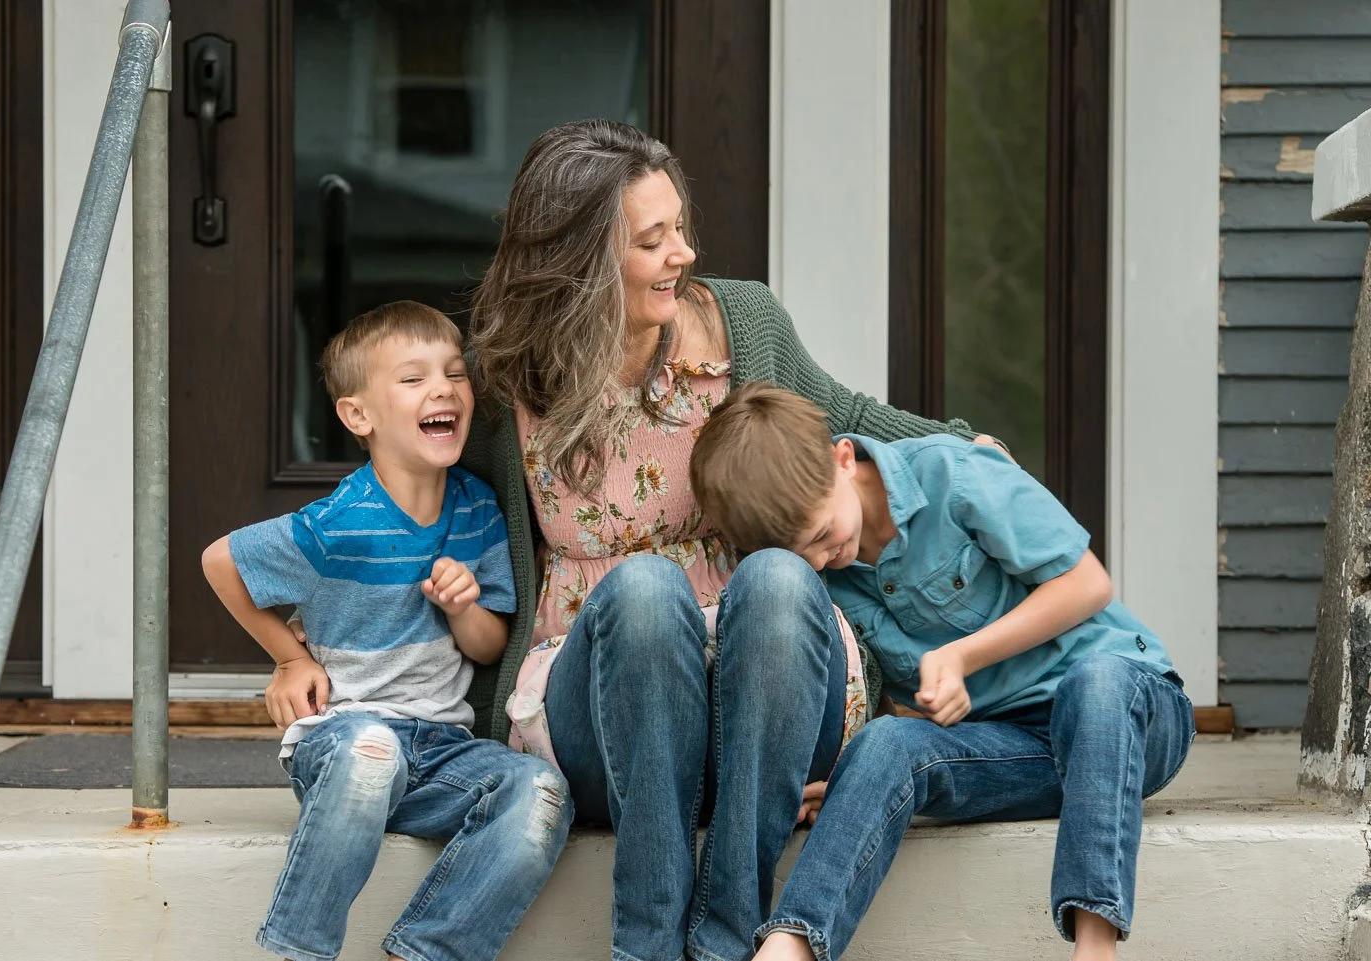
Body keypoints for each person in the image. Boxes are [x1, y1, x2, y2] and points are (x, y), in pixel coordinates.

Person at [448, 118, 997, 961]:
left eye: (681, 228)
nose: (684, 254)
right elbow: (424, 495)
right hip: (602, 704)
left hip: (766, 697)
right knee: (642, 591)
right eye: (653, 239)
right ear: (581, 258)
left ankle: (726, 936)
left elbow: (847, 425)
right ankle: (648, 946)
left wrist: (967, 453)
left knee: (778, 576)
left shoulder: (741, 323)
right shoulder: (508, 379)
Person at [687, 382, 1197, 961]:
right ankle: (791, 946)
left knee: (1096, 682)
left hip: (1130, 717)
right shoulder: (829, 576)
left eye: (823, 534)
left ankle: (1094, 948)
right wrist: (859, 779)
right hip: (1020, 751)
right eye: (800, 553)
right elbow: (881, 700)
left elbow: (1088, 583)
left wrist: (962, 656)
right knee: (885, 743)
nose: (822, 559)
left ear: (843, 458)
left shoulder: (954, 473)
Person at [201, 301, 571, 961]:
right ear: (358, 415)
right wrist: (290, 661)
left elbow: (488, 646)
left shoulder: (478, 508)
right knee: (371, 751)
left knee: (540, 790)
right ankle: (298, 950)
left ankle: (425, 950)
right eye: (413, 377)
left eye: (456, 373)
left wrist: (463, 606)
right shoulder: (339, 522)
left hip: (441, 754)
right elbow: (220, 562)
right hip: (346, 744)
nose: (443, 388)